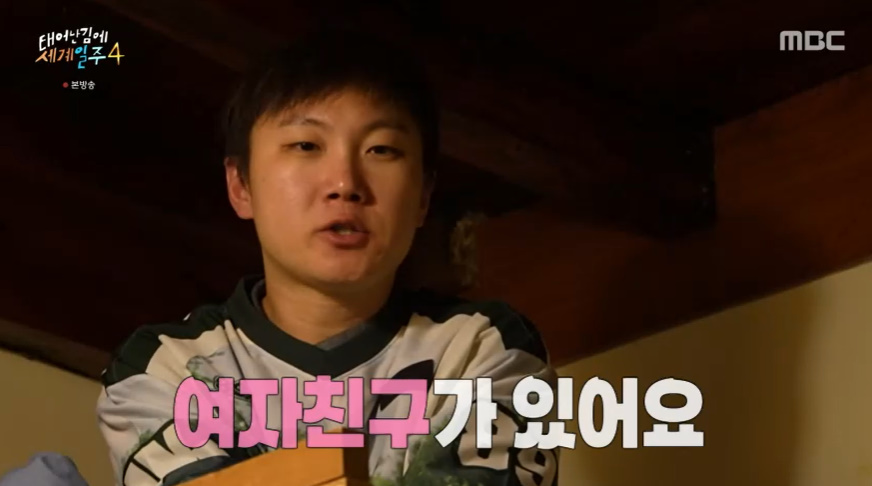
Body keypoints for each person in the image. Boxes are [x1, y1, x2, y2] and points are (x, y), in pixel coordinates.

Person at [96, 29, 559, 486]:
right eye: (306, 145)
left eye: (381, 149)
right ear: (241, 185)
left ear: (422, 197)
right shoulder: (166, 367)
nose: (345, 183)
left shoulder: (481, 349)